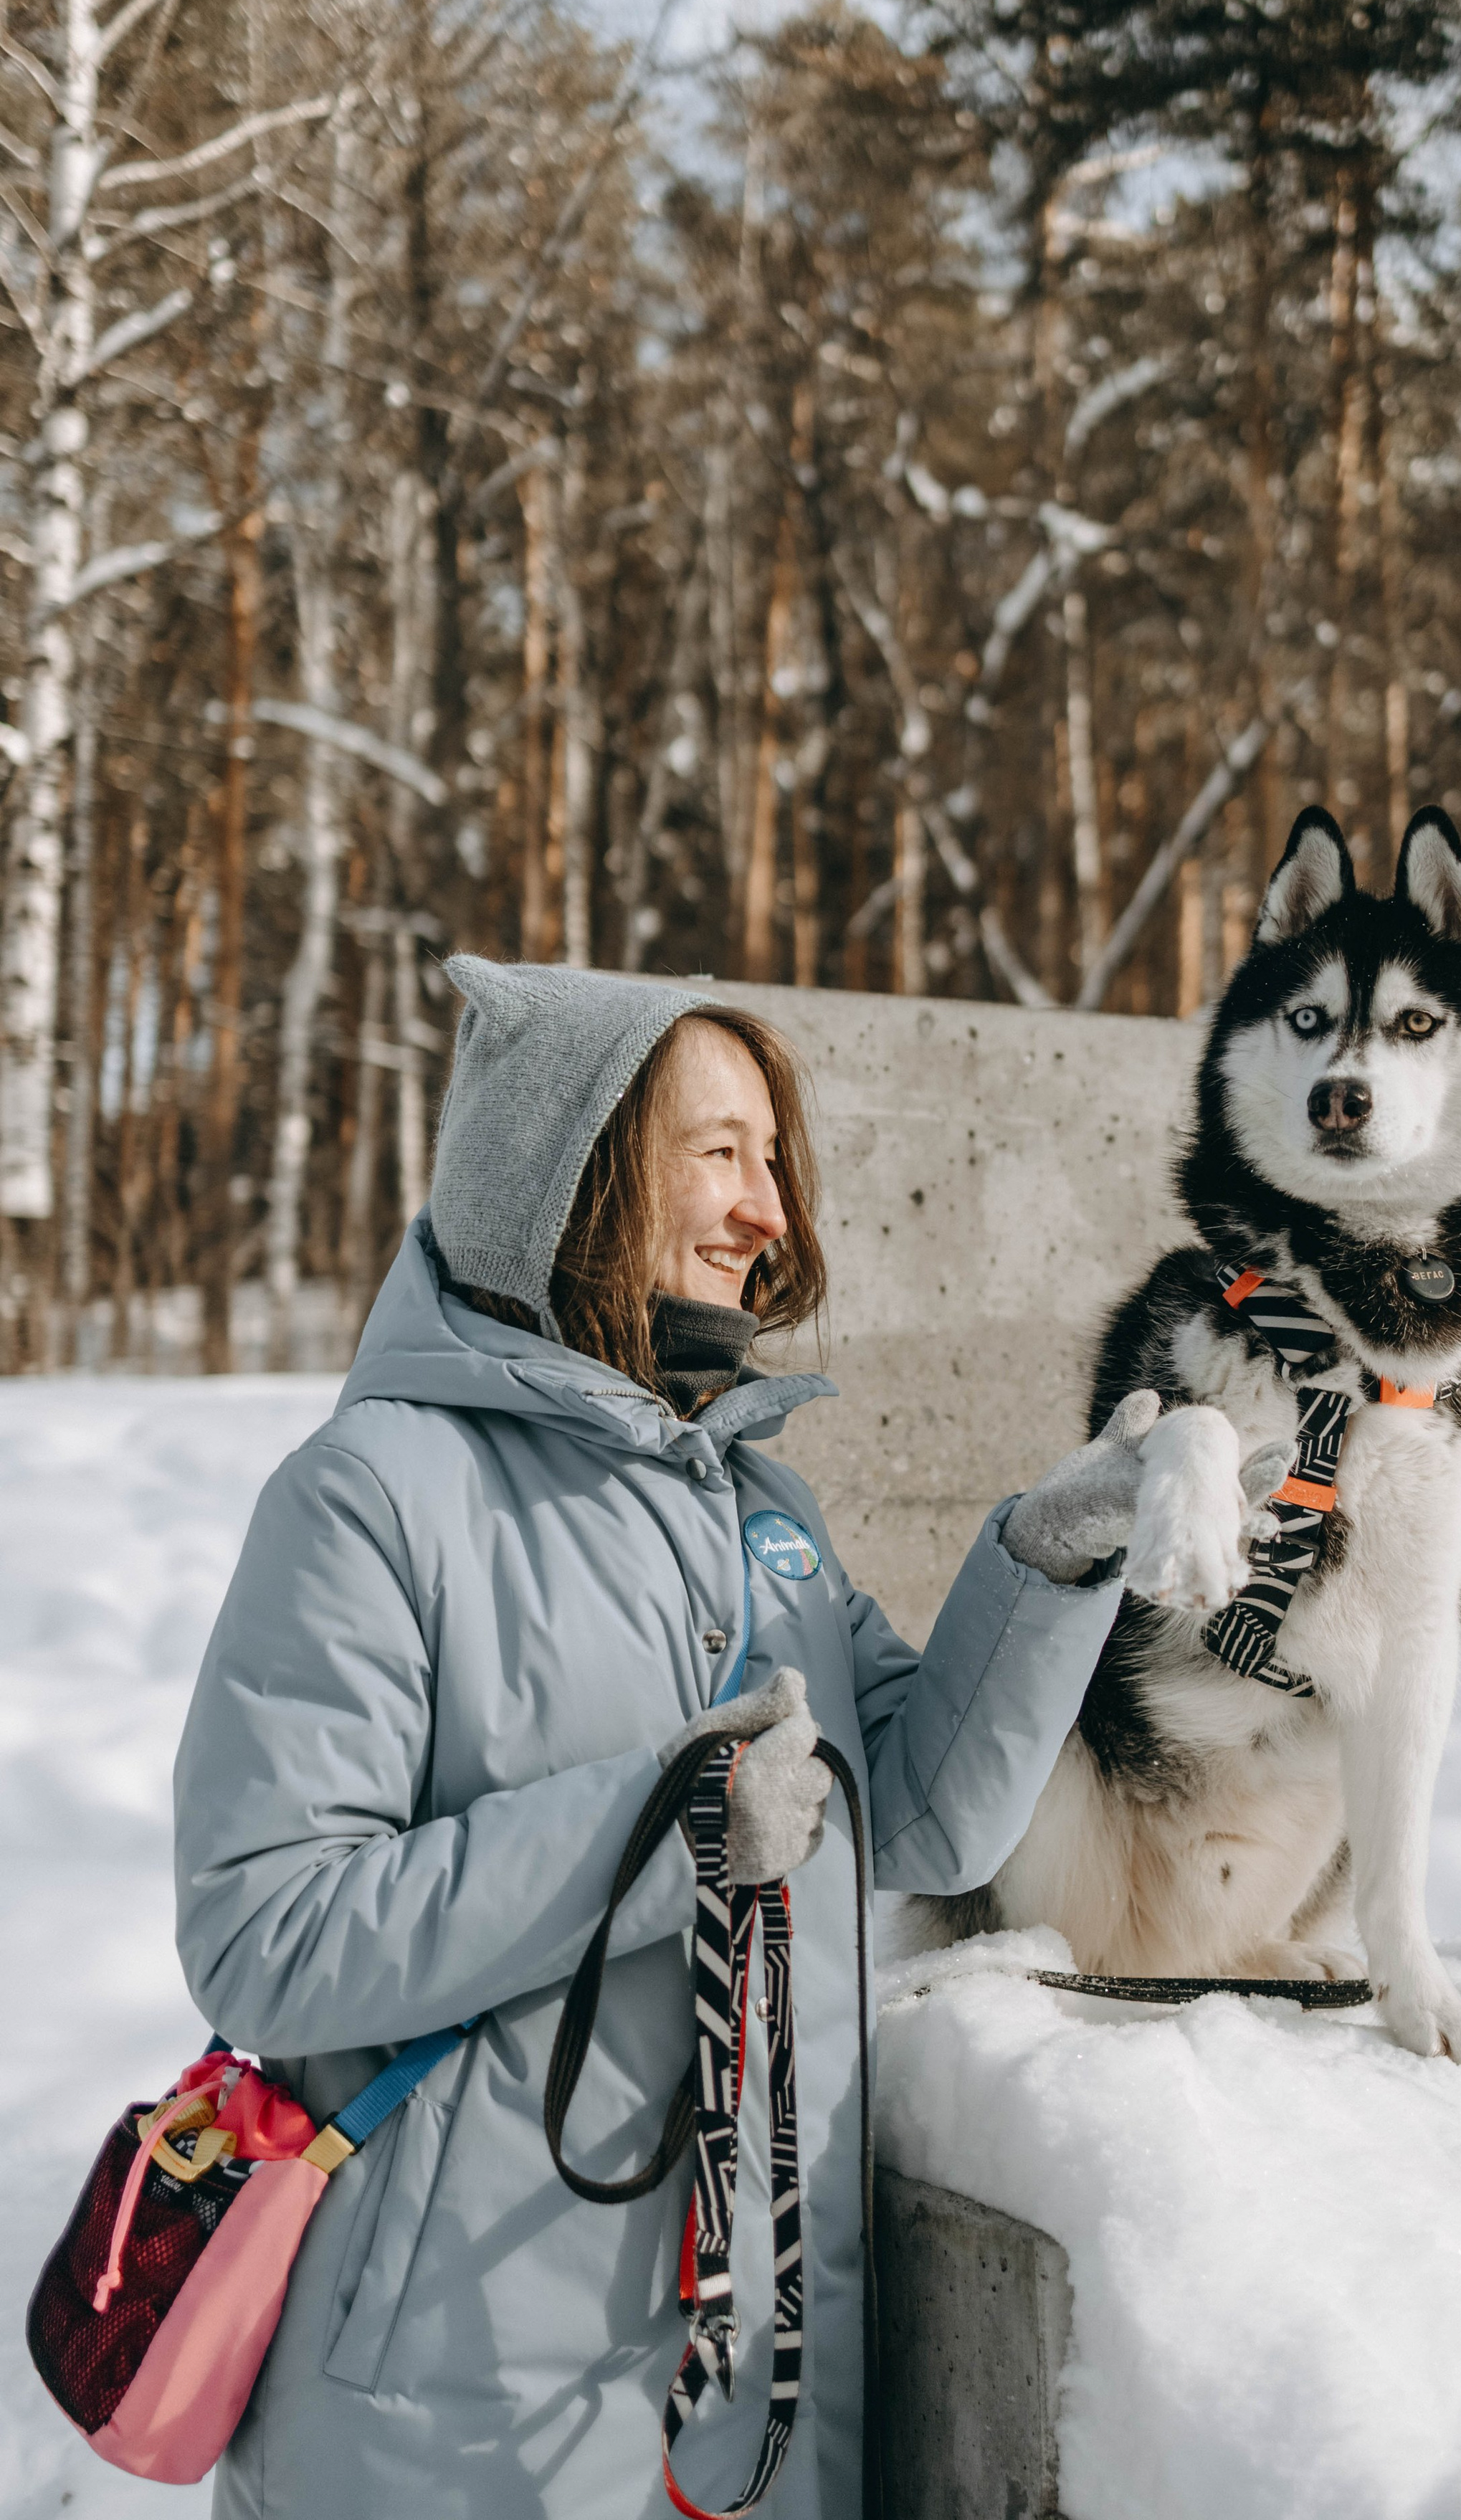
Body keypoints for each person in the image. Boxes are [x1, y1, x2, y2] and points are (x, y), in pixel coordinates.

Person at [173, 958, 1161, 2520]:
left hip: (747, 2408)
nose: (768, 1211)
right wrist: (671, 1827)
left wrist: (1045, 1562)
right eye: (719, 1153)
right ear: (558, 1173)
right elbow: (269, 1936)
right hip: (453, 2424)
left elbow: (914, 1818)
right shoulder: (374, 1494)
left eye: (772, 1161)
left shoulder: (761, 1510)